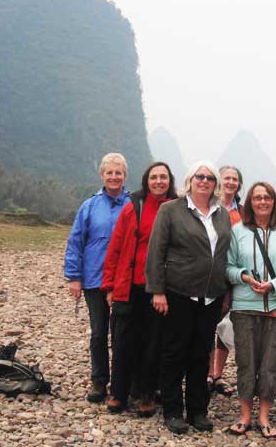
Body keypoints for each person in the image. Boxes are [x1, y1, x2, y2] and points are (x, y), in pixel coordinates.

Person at [145, 161, 233, 434]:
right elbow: (156, 251)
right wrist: (157, 290)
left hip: (211, 297)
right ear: (190, 180)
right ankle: (173, 411)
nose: (204, 181)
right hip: (178, 293)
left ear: (215, 184)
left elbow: (225, 255)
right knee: (174, 353)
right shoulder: (171, 210)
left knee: (200, 353)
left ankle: (198, 410)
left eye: (210, 178)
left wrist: (226, 290)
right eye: (199, 176)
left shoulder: (222, 214)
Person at [225, 182, 276, 439]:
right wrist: (244, 276)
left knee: (271, 365)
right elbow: (228, 267)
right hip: (244, 307)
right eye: (257, 198)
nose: (262, 202)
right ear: (250, 202)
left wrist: (274, 284)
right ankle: (245, 415)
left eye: (267, 197)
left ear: (274, 201)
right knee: (246, 363)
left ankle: (264, 416)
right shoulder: (238, 231)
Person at [101, 162, 178, 416]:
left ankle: (147, 393)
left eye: (163, 177)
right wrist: (109, 286)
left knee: (153, 343)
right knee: (123, 341)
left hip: (160, 288)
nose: (158, 181)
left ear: (170, 181)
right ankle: (118, 393)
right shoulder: (133, 206)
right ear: (146, 181)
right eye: (154, 177)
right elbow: (115, 246)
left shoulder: (177, 208)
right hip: (130, 285)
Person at [63, 152, 129, 403]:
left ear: (125, 176)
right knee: (99, 333)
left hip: (124, 281)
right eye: (109, 172)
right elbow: (76, 241)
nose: (114, 177)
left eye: (118, 173)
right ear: (102, 175)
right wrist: (74, 277)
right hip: (94, 279)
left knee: (123, 334)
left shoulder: (132, 204)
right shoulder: (89, 206)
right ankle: (99, 381)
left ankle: (124, 382)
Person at [206, 165, 244, 397]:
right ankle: (208, 372)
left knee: (226, 323)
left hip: (234, 274)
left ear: (239, 184)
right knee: (207, 323)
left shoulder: (243, 213)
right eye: (226, 178)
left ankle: (218, 373)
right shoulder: (208, 206)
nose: (230, 182)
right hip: (210, 274)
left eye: (234, 179)